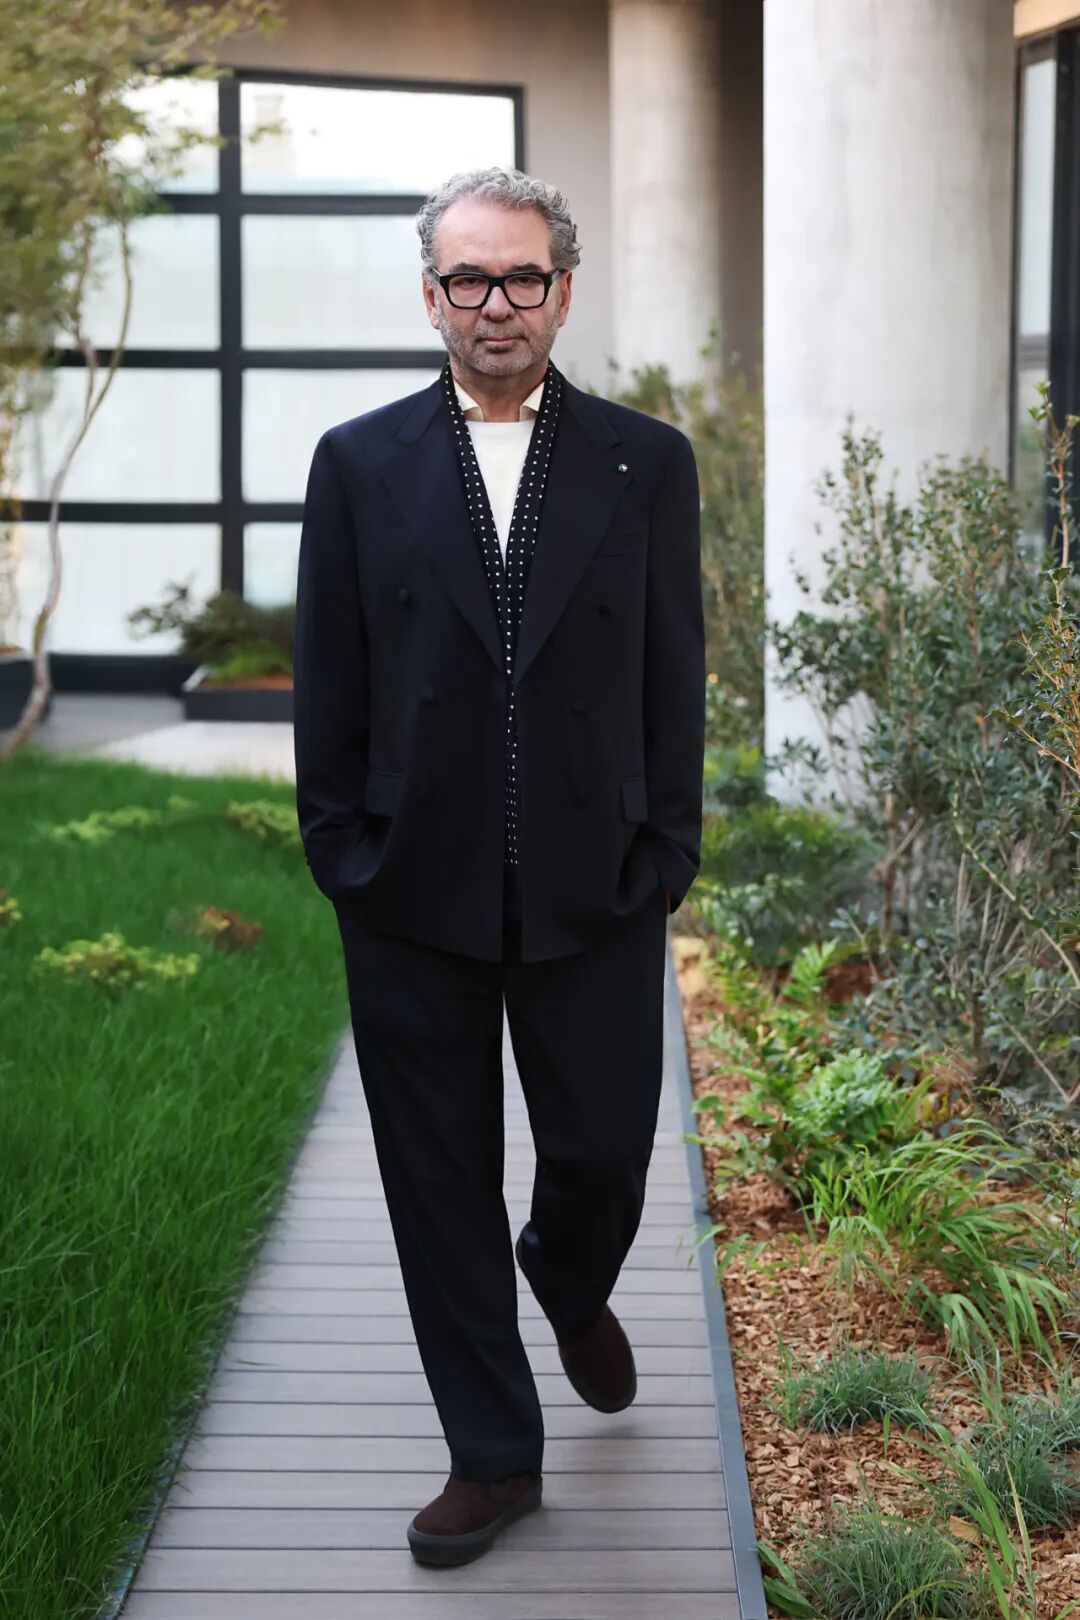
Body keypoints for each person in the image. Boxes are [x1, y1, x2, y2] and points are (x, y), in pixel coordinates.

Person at [292, 165, 705, 1567]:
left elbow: (675, 672)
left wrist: (668, 846)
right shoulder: (359, 463)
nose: (496, 303)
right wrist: (341, 849)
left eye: (522, 276)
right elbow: (329, 676)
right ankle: (492, 1454)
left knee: (602, 1152)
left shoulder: (647, 462)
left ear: (563, 291)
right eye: (467, 277)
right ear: (431, 297)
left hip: (599, 882)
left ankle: (568, 1275)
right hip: (410, 886)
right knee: (436, 1179)